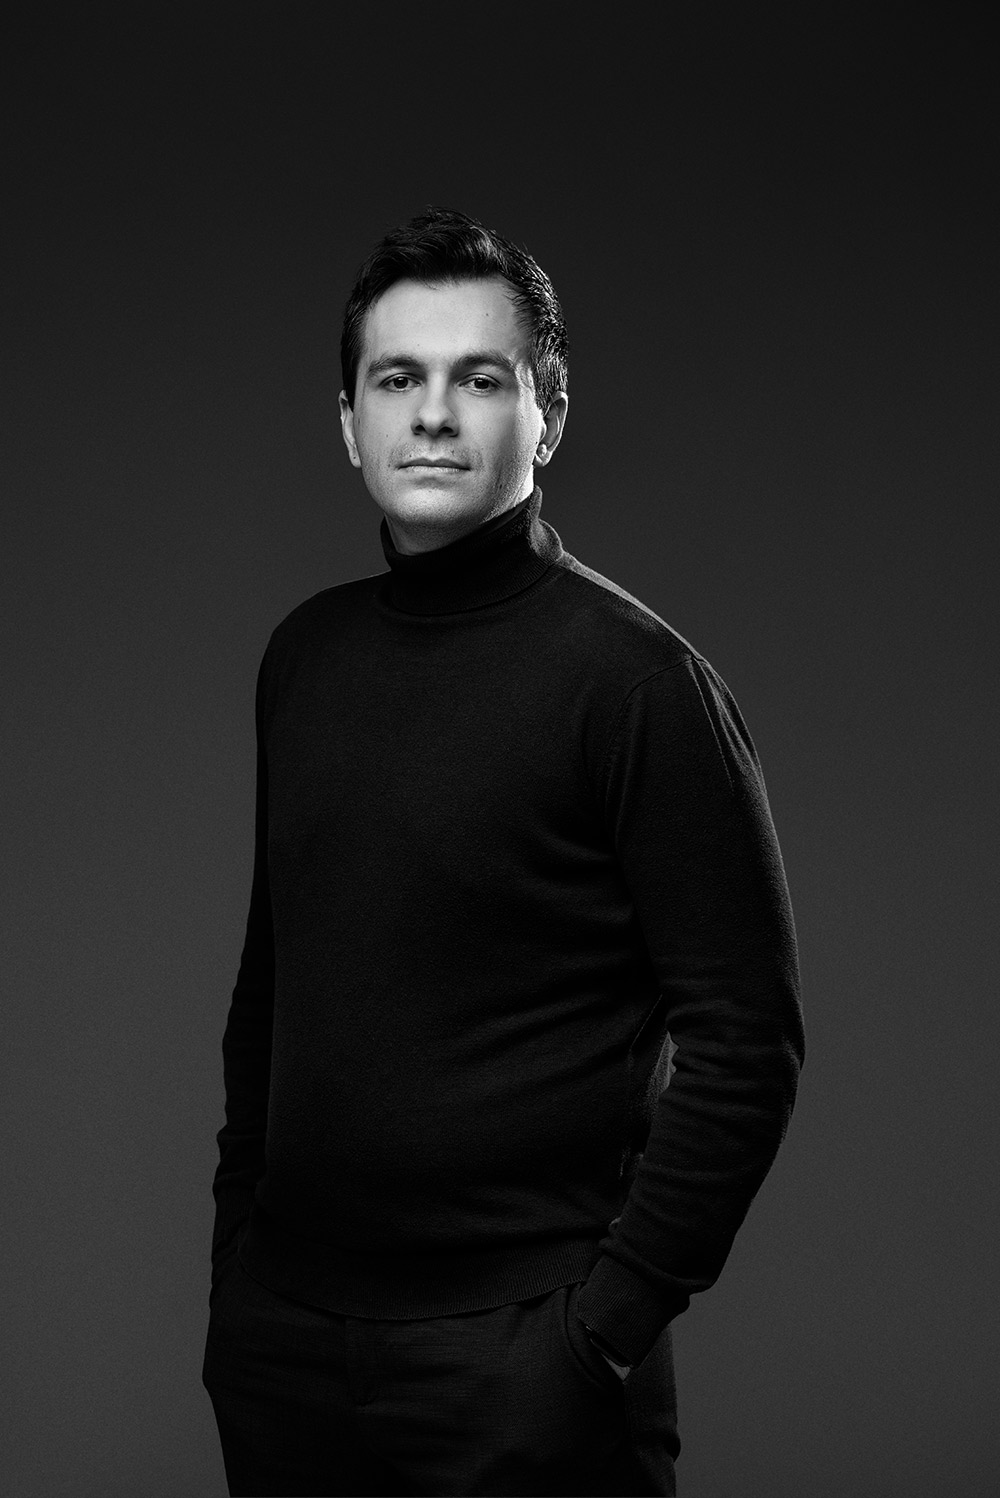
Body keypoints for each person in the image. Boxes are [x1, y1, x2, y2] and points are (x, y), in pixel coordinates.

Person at [201, 205, 805, 1497]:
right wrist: (234, 1279)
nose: (432, 415)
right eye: (396, 379)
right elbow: (272, 994)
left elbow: (750, 1043)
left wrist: (602, 1333)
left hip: (525, 1365)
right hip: (289, 1350)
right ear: (348, 420)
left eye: (478, 379)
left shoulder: (638, 685)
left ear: (550, 413)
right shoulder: (304, 658)